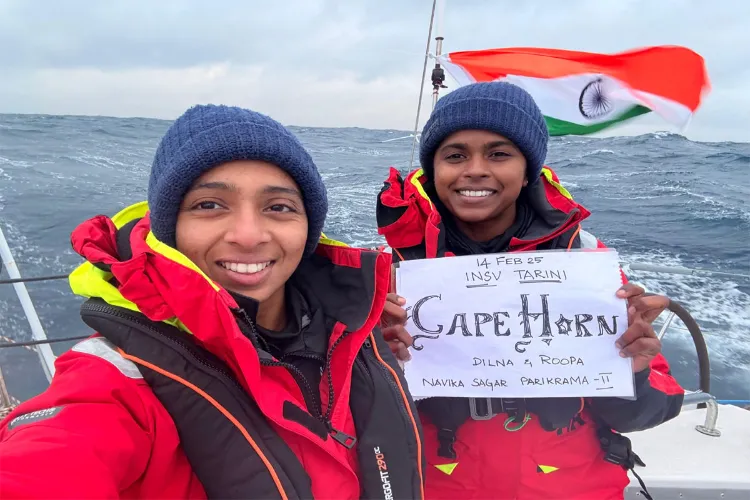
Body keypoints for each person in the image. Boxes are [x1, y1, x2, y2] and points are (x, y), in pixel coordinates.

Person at [0, 105, 424, 499]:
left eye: (278, 206)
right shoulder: (118, 379)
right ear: (171, 228)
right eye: (209, 205)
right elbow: (47, 461)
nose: (248, 234)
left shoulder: (355, 332)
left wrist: (377, 349)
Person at [376, 82, 685, 500]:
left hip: (573, 487)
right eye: (454, 155)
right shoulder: (389, 273)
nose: (475, 169)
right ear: (433, 170)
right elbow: (349, 416)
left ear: (528, 172)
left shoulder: (583, 262)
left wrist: (633, 371)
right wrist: (379, 363)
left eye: (499, 154)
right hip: (433, 486)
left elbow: (646, 412)